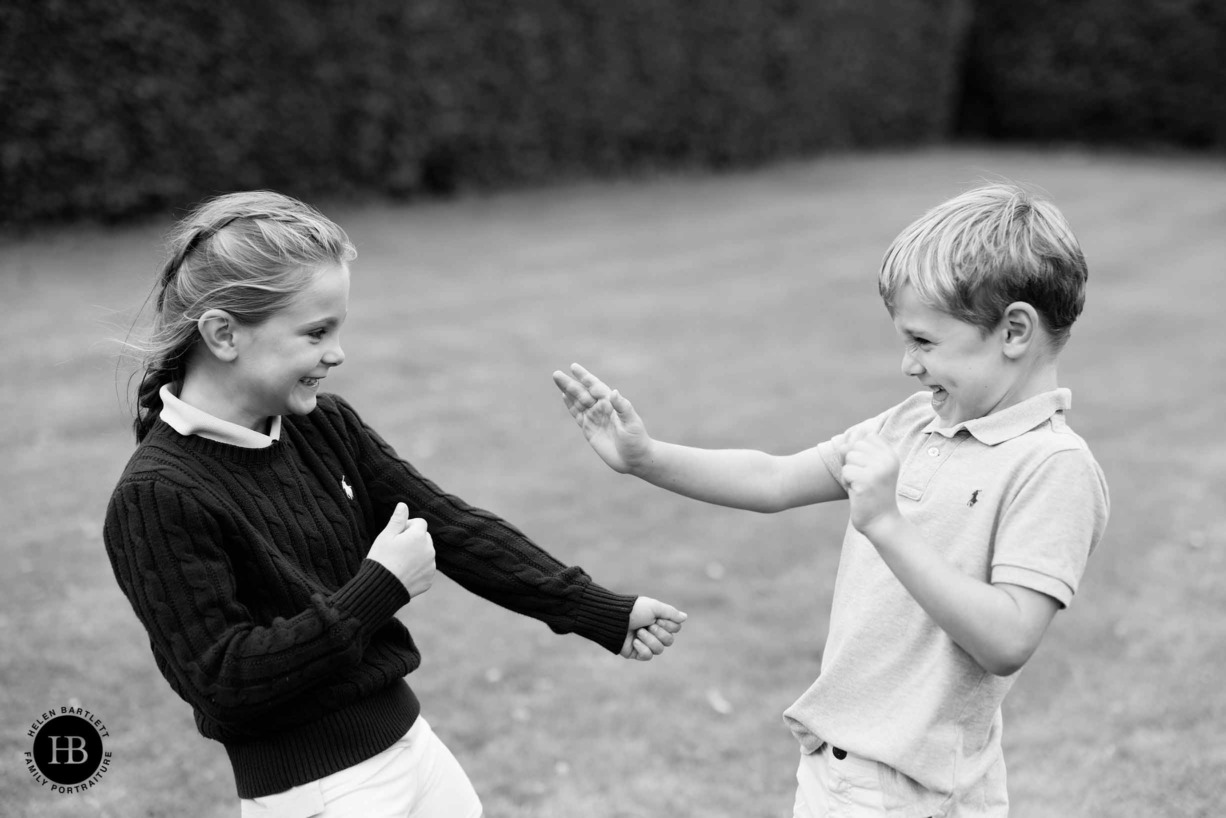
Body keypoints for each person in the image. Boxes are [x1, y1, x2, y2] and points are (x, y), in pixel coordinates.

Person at [103, 190, 687, 818]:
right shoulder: (156, 497)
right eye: (316, 332)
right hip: (320, 793)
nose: (337, 351)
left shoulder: (323, 426)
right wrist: (379, 587)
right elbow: (225, 683)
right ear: (223, 334)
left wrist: (593, 607)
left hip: (413, 748)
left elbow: (452, 527)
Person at [553, 183, 1109, 816]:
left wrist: (888, 526)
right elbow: (773, 479)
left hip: (908, 787)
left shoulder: (1053, 466)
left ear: (1013, 330)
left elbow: (1008, 638)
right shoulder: (914, 422)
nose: (908, 365)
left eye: (924, 342)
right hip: (842, 765)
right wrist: (645, 457)